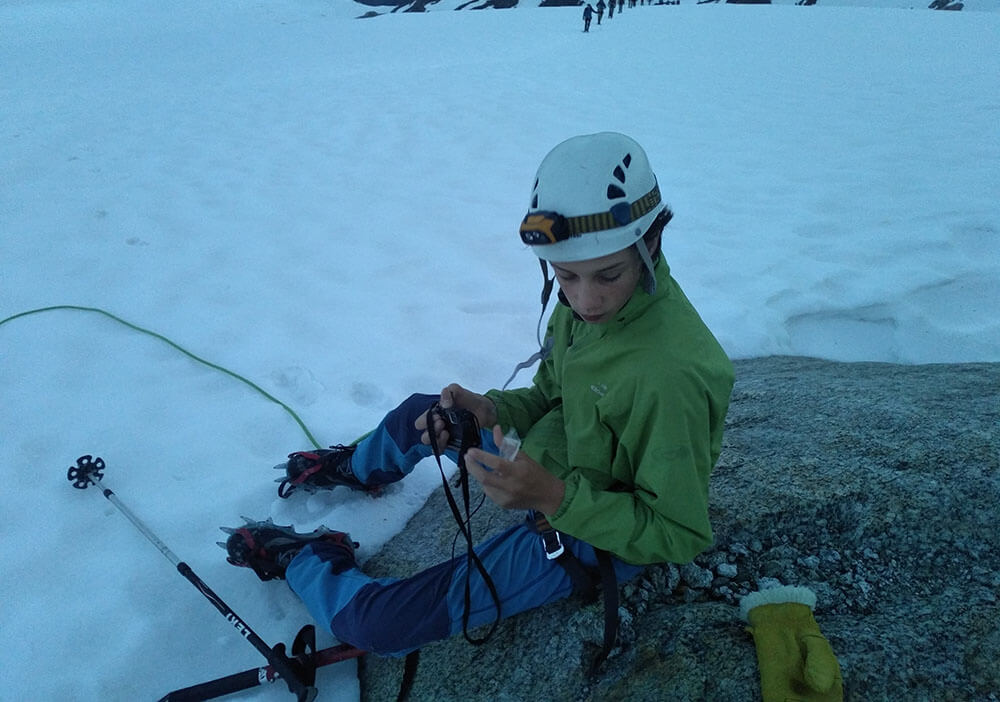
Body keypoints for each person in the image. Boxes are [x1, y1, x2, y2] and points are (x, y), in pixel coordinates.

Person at [223, 132, 735, 661]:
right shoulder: (588, 306)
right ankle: (356, 469)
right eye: (565, 276)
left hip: (599, 530)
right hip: (552, 463)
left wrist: (552, 498)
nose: (585, 299)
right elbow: (553, 394)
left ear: (651, 242)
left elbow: (675, 533)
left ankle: (310, 558)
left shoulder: (671, 375)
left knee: (380, 623)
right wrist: (492, 412)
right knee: (419, 416)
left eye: (607, 275)